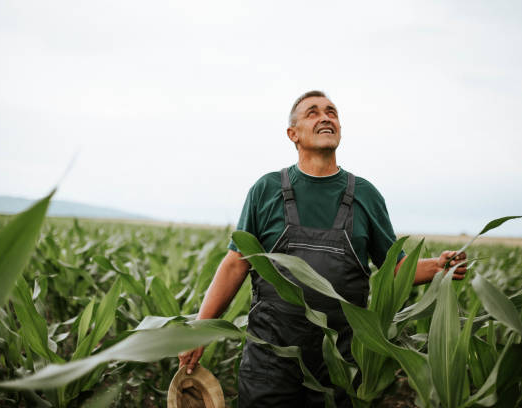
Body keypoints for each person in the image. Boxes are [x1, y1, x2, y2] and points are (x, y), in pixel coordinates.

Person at [178, 90, 467, 407]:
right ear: (293, 134)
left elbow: (397, 270)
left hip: (341, 366)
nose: (326, 117)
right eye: (312, 113)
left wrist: (440, 266)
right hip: (270, 363)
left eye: (332, 112)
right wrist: (199, 331)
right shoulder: (266, 190)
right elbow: (235, 264)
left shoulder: (365, 195)